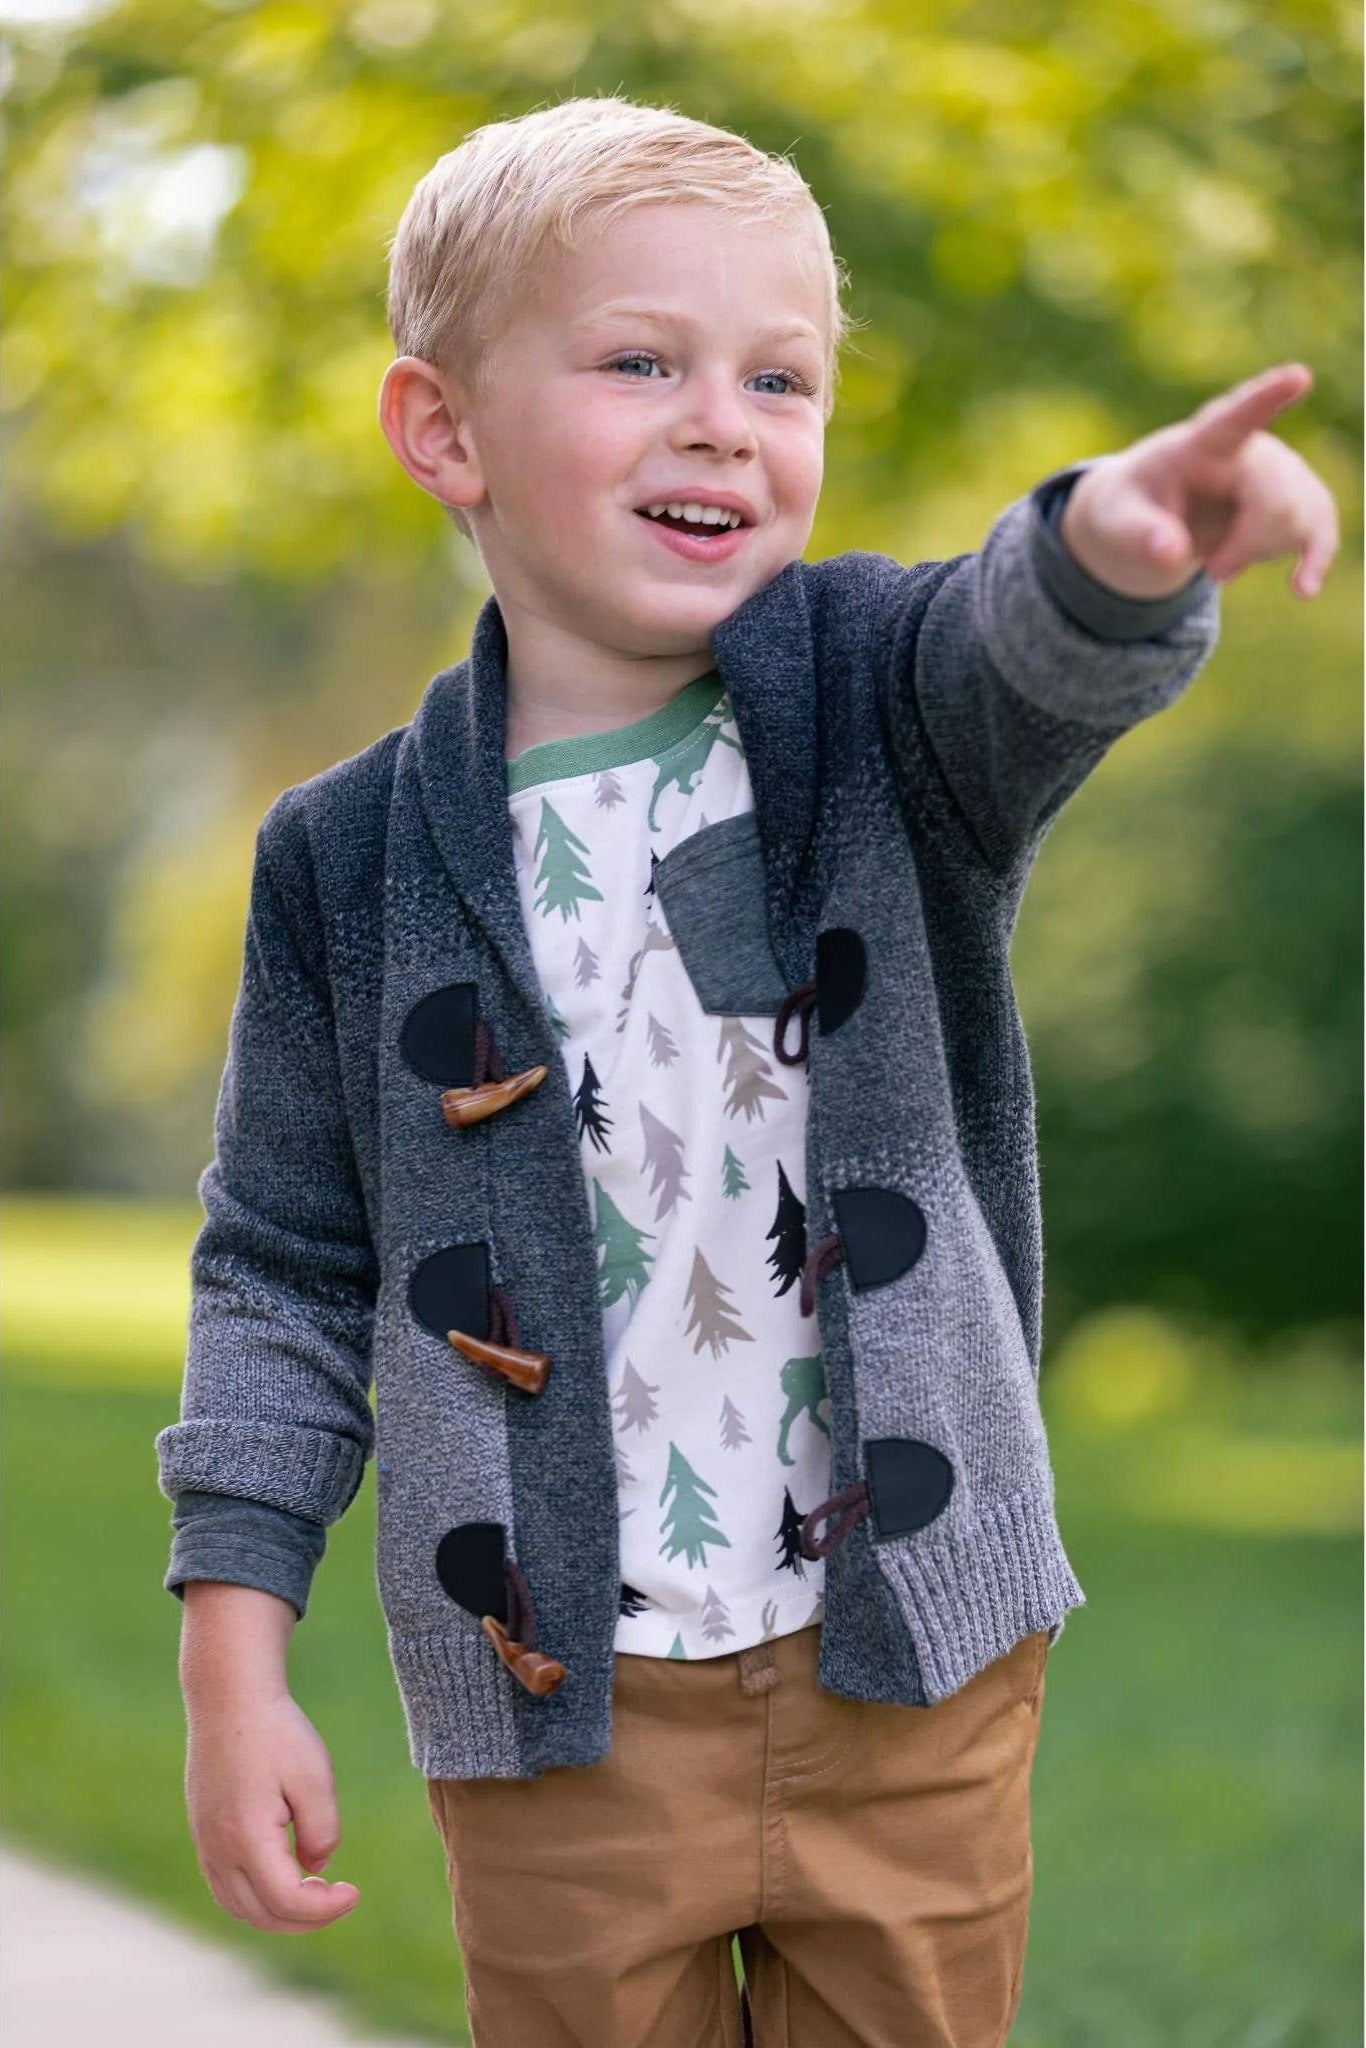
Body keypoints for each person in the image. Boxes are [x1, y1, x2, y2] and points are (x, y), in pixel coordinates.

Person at [156, 93, 1338, 2048]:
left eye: (777, 376)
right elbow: (281, 1269)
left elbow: (1016, 645)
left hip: (911, 1674)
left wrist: (1115, 547)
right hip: (556, 1716)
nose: (723, 419)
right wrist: (234, 1644)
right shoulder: (346, 861)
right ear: (442, 430)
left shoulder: (874, 713)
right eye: (640, 361)